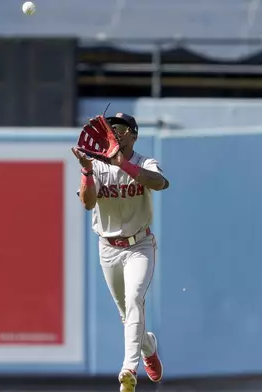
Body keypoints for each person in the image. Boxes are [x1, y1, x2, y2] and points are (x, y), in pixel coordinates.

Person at [72, 112, 170, 392]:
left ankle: (129, 370)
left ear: (134, 135)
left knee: (135, 299)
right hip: (109, 249)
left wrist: (122, 164)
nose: (116, 132)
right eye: (112, 128)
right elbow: (88, 203)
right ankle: (148, 347)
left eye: (123, 128)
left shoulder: (144, 162)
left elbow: (160, 183)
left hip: (139, 246)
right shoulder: (97, 167)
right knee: (129, 316)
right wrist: (86, 170)